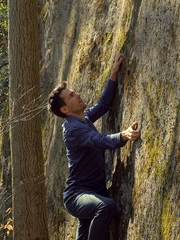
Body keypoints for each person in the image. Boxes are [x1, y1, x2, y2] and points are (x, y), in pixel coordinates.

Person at [47, 53, 140, 240]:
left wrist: (113, 75)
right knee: (106, 207)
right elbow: (98, 140)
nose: (77, 94)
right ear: (65, 110)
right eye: (71, 96)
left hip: (94, 192)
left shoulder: (84, 118)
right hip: (78, 196)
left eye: (74, 92)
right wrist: (123, 135)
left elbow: (103, 104)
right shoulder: (73, 130)